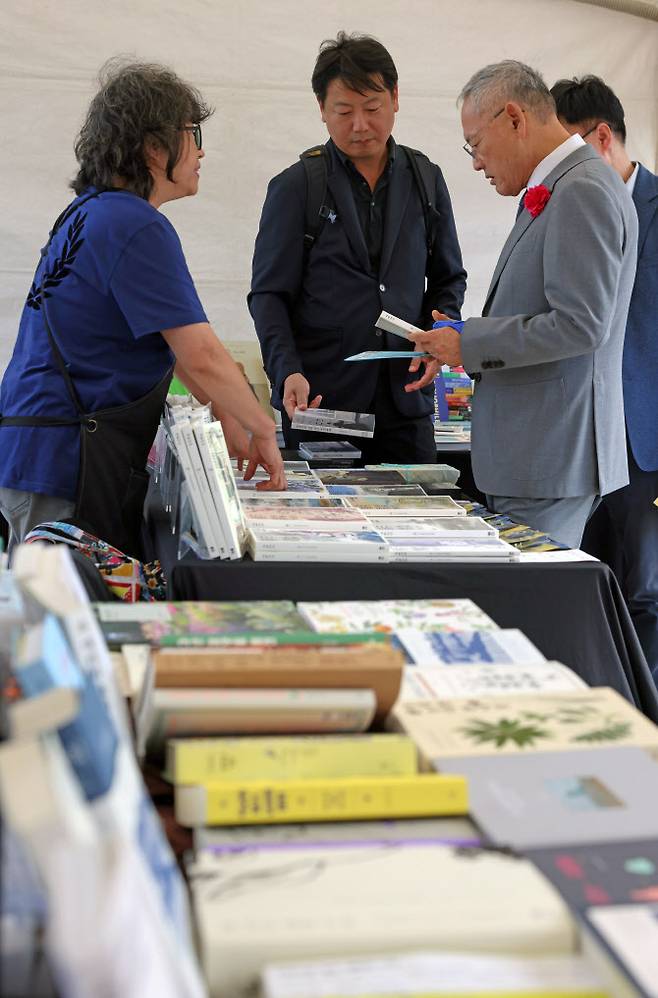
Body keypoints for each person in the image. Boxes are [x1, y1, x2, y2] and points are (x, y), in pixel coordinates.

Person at [0, 60, 285, 557]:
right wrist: (263, 427)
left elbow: (168, 345)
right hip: (66, 462)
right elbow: (201, 354)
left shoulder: (90, 212)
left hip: (38, 452)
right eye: (192, 134)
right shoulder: (134, 224)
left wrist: (226, 410)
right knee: (69, 621)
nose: (200, 151)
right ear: (153, 147)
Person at [407, 60, 637, 549]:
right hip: (537, 458)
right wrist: (466, 336)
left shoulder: (582, 190)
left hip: (548, 457)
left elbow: (579, 324)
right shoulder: (568, 185)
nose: (475, 162)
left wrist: (470, 344)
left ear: (514, 118)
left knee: (533, 610)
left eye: (475, 145)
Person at [248, 31, 466, 464]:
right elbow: (268, 295)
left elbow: (448, 277)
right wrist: (286, 368)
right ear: (322, 111)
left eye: (372, 108)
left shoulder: (425, 178)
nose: (360, 125)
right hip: (321, 402)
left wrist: (443, 328)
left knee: (420, 522)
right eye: (344, 111)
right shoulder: (297, 186)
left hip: (405, 403)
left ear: (396, 98)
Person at [551, 75, 658, 679]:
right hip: (580, 432)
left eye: (570, 149)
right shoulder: (559, 207)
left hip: (644, 439)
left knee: (645, 589)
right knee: (583, 580)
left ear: (602, 136)